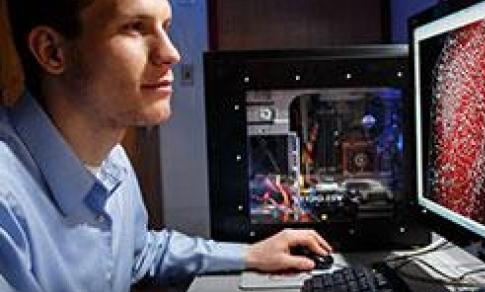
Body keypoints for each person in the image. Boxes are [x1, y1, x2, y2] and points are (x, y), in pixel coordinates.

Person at [0, 0, 332, 291]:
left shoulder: (111, 157)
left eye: (165, 27)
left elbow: (142, 253)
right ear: (52, 51)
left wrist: (251, 254)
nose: (171, 53)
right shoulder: (7, 203)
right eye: (134, 27)